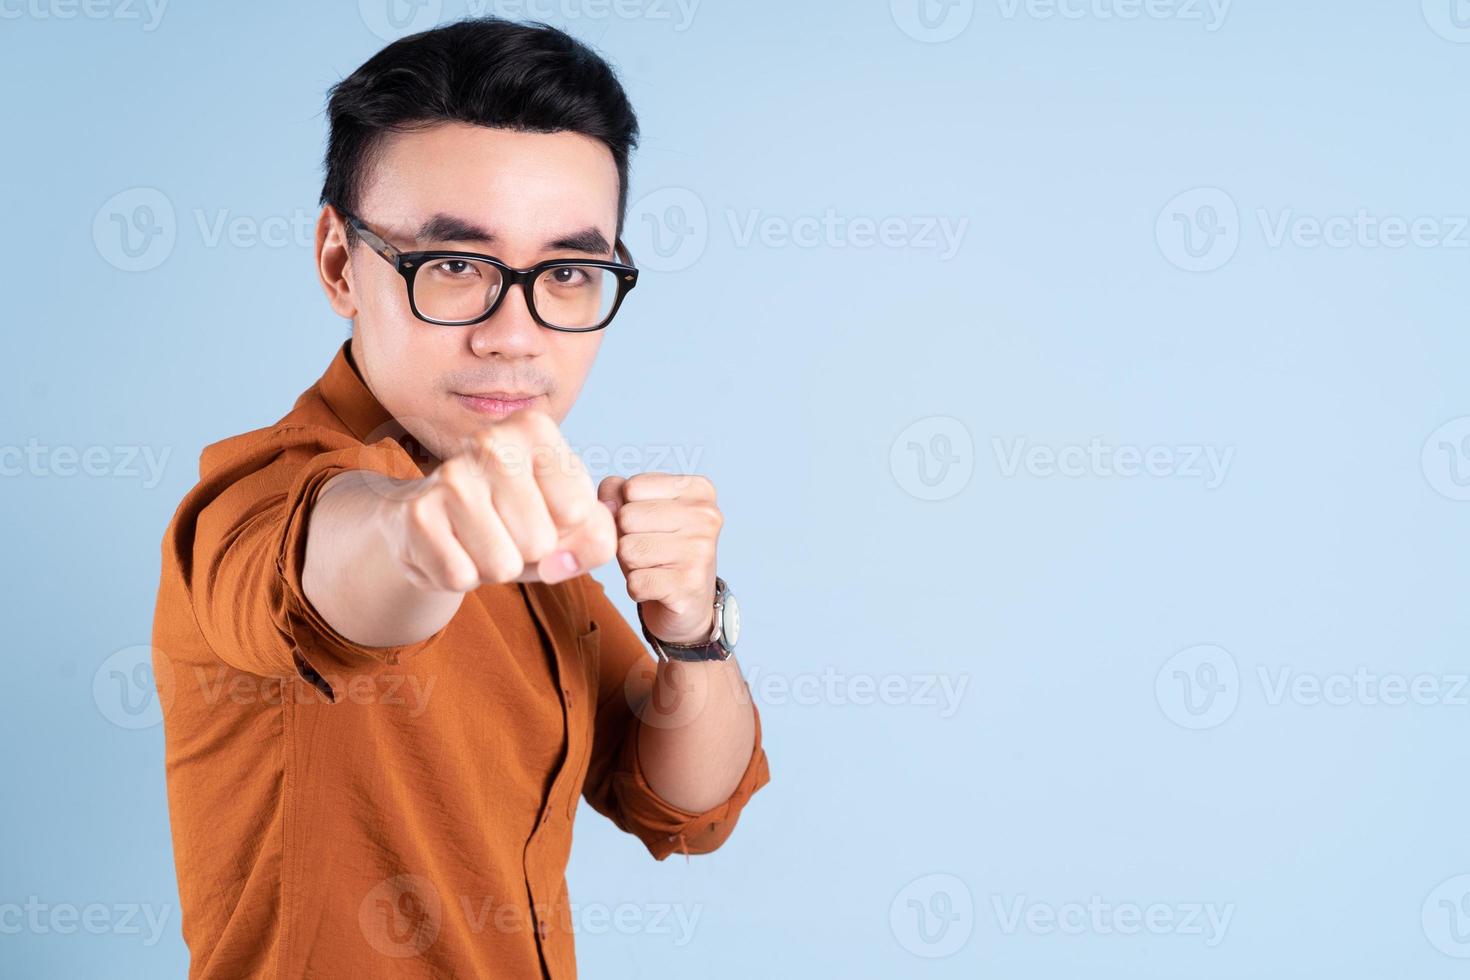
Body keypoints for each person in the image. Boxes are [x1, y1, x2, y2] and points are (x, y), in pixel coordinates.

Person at [150, 17, 769, 978]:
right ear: (338, 264)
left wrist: (691, 632)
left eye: (566, 273)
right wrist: (418, 541)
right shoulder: (262, 498)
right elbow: (330, 564)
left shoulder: (539, 533)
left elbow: (683, 804)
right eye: (454, 265)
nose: (514, 334)